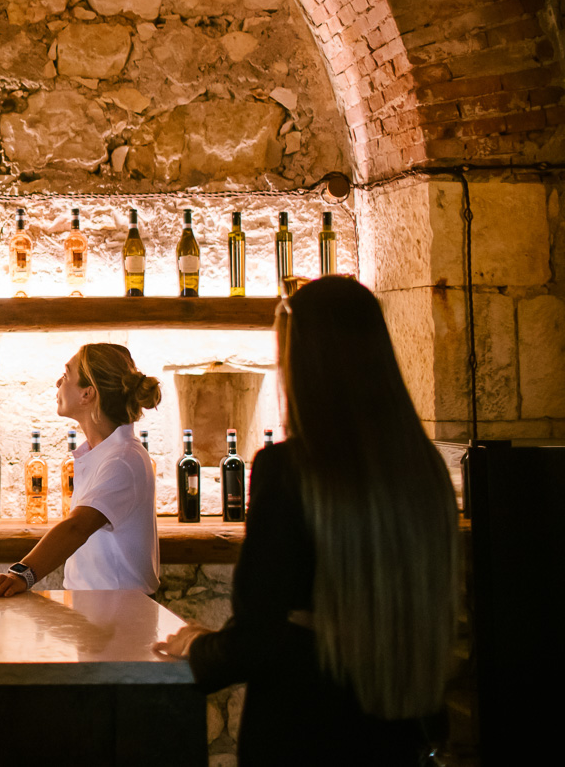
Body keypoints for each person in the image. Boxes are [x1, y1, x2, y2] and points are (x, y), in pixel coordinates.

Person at [155, 276, 458, 764]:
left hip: (306, 732)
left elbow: (261, 635)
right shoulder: (425, 469)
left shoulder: (288, 469)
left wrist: (200, 648)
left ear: (306, 364)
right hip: (400, 735)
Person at [0, 344, 161, 598]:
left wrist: (21, 575)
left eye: (66, 375)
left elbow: (77, 527)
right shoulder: (105, 453)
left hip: (119, 610)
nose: (58, 383)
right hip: (98, 607)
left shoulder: (122, 459)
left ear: (87, 394)